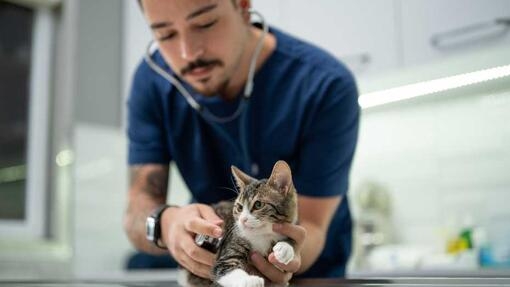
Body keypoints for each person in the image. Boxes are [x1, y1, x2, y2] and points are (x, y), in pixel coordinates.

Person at [123, 0, 360, 283]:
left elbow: (311, 224)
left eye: (205, 23)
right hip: (221, 272)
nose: (188, 53)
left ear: (244, 6)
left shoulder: (325, 85)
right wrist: (165, 224)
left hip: (310, 276)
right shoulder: (152, 83)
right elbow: (138, 211)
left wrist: (281, 259)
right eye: (165, 34)